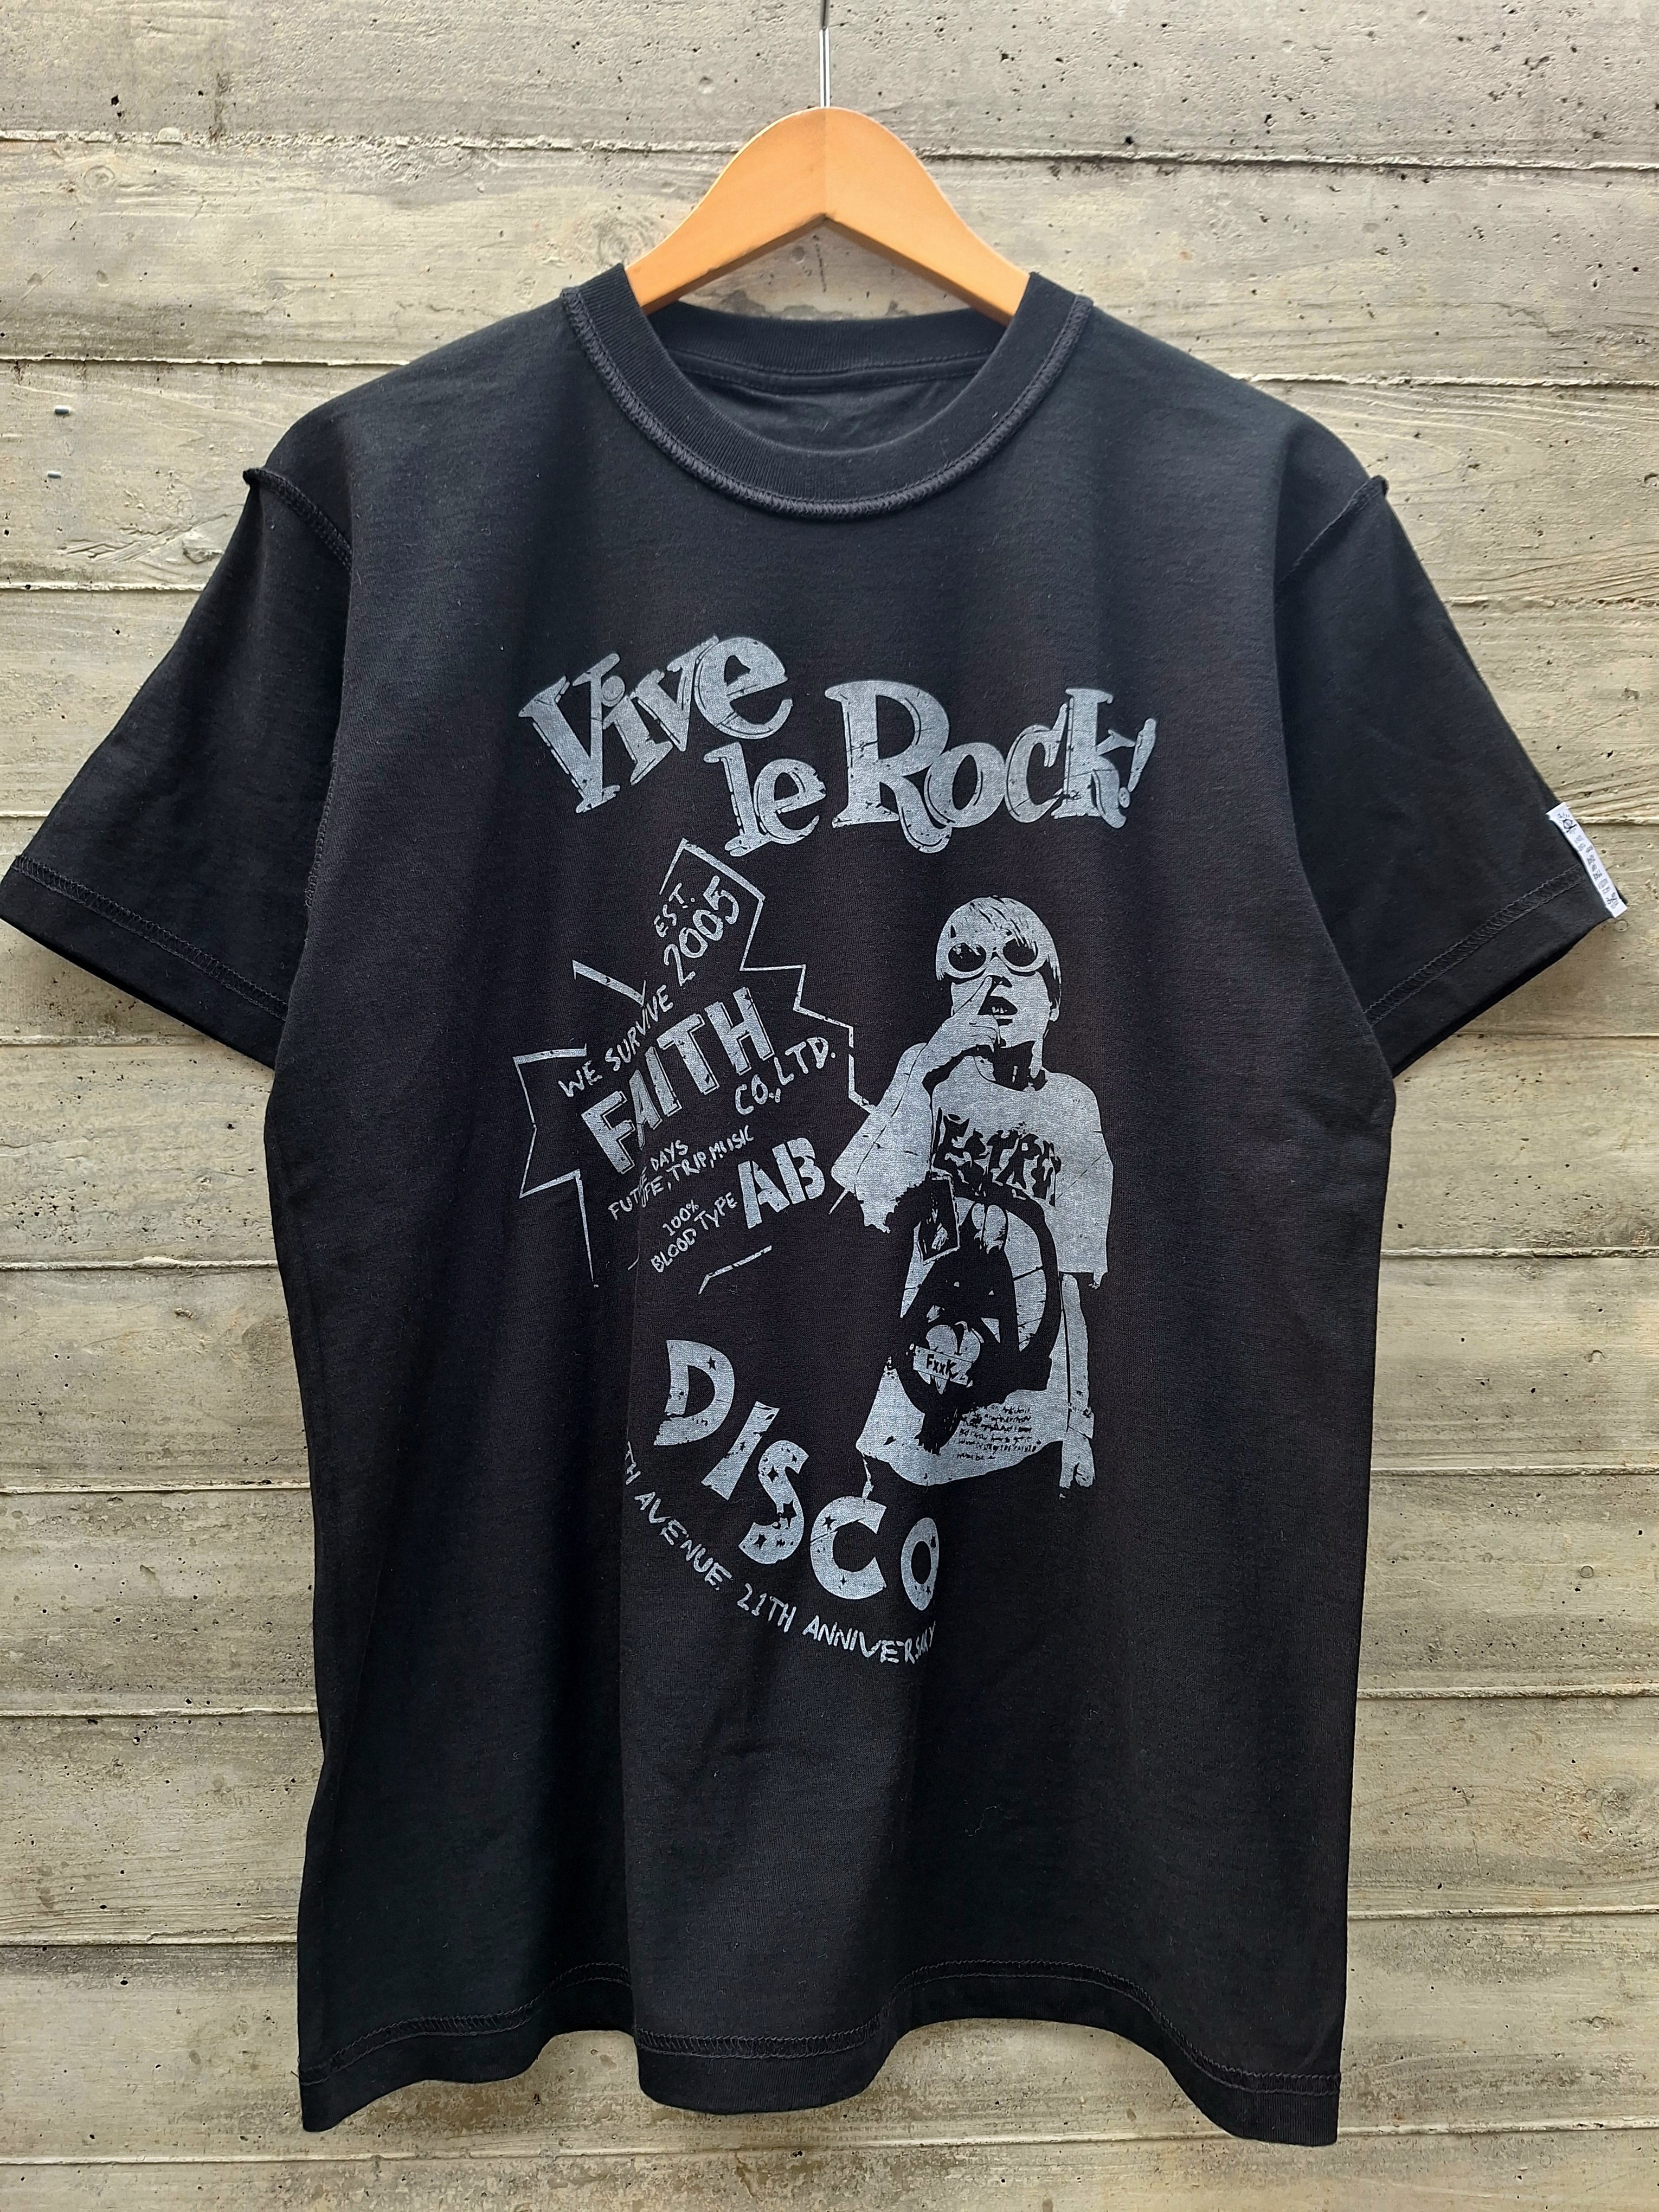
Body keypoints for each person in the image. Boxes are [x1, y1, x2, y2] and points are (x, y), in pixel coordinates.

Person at [832, 897, 1112, 1489]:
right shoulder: (929, 1074)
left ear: (1054, 1000)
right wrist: (926, 1069)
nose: (995, 978)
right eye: (968, 962)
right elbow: (865, 1200)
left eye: (1019, 959)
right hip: (907, 1405)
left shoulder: (1073, 1105)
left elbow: (1071, 1288)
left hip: (1024, 1423)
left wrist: (1078, 1426)